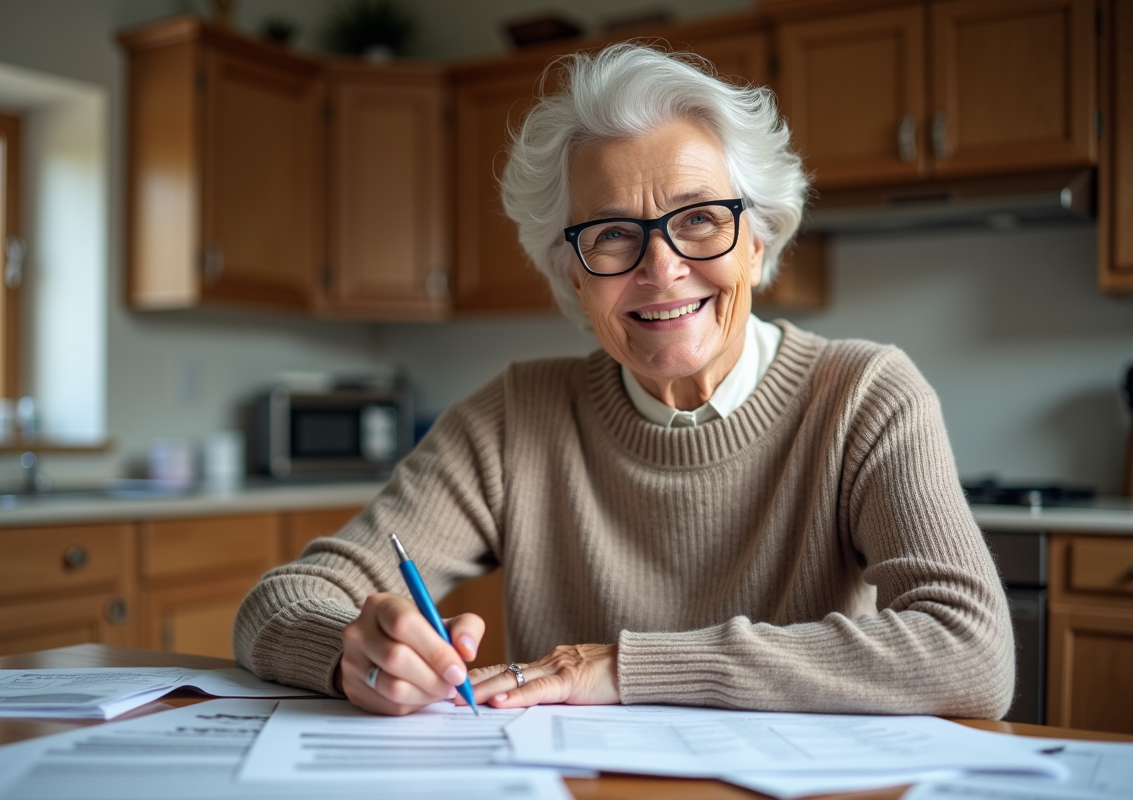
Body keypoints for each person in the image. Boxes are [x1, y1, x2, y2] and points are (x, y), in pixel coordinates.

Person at [233, 44, 1014, 719]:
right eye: (611, 234)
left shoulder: (864, 396)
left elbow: (973, 653)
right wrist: (355, 653)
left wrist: (623, 668)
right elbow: (279, 601)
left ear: (757, 240)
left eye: (699, 218)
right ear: (574, 276)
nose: (661, 268)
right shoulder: (514, 417)